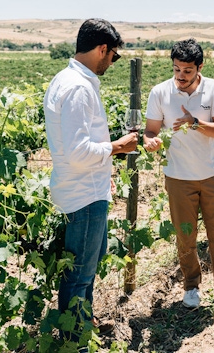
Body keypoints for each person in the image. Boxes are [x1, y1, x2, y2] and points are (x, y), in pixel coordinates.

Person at [43, 18, 139, 341]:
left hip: (86, 189)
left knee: (85, 268)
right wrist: (117, 147)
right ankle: (75, 343)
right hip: (83, 195)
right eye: (113, 56)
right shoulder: (78, 88)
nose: (112, 63)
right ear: (102, 50)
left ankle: (84, 327)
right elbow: (78, 151)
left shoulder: (65, 80)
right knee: (79, 277)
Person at [143, 38, 214, 308]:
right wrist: (150, 141)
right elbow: (150, 130)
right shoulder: (160, 92)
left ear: (199, 67)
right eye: (177, 69)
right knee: (185, 236)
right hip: (178, 177)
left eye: (187, 71)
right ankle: (191, 287)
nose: (180, 76)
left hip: (210, 174)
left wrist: (194, 123)